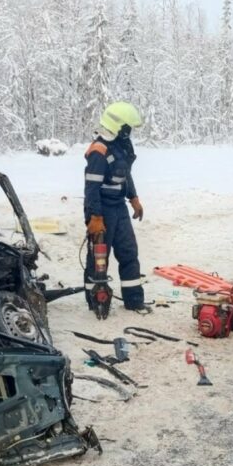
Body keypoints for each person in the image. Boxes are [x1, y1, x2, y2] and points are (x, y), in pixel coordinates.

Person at [84, 101, 149, 312]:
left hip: (119, 207)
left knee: (129, 252)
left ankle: (134, 300)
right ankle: (96, 301)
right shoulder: (99, 151)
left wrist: (133, 198)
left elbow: (124, 174)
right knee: (99, 259)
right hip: (101, 208)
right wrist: (95, 217)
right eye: (127, 127)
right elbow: (91, 188)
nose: (129, 132)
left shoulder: (121, 147)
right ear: (118, 126)